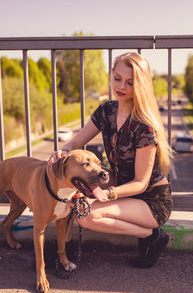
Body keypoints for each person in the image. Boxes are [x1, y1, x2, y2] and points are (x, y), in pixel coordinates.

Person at [48, 52, 173, 268]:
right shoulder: (106, 111)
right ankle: (63, 253)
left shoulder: (144, 126)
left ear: (140, 86)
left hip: (151, 201)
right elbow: (75, 143)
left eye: (130, 82)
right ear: (112, 76)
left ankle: (152, 235)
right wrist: (62, 151)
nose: (121, 86)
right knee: (71, 191)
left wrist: (106, 194)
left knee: (86, 216)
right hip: (121, 184)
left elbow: (141, 183)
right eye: (117, 78)